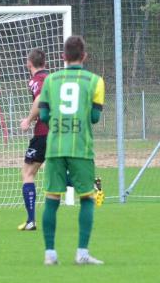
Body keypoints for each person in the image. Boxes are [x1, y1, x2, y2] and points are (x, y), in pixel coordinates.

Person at [28, 35, 105, 266]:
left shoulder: (51, 81)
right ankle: (82, 253)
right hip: (81, 146)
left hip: (54, 146)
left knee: (52, 198)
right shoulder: (96, 81)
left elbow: (43, 115)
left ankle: (50, 254)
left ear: (63, 56)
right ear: (84, 56)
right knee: (87, 198)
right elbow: (95, 117)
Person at [16, 49, 49, 231]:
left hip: (43, 133)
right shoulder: (51, 78)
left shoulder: (36, 80)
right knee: (57, 173)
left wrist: (28, 120)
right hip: (58, 132)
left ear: (29, 63)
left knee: (27, 173)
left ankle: (31, 221)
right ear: (44, 63)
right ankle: (89, 183)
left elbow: (40, 99)